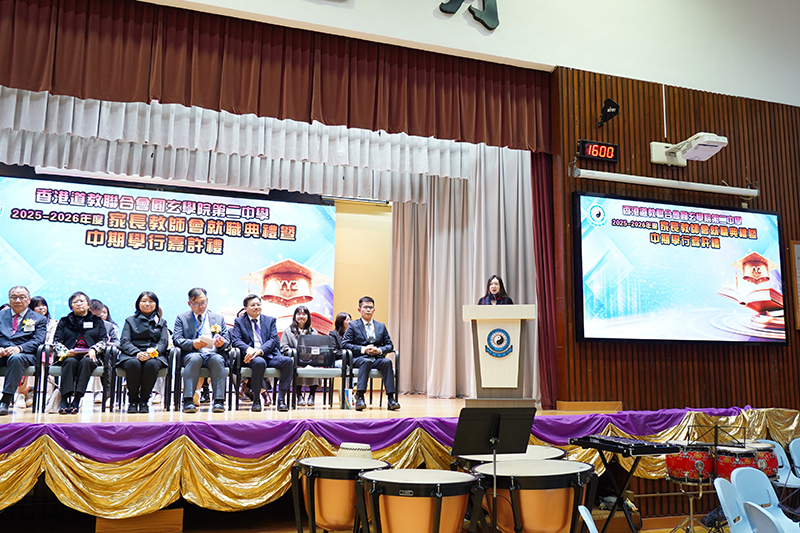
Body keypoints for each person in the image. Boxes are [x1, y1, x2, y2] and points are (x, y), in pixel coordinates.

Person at [231, 294, 292, 412]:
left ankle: (281, 399)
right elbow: (236, 340)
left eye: (258, 304)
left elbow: (274, 340)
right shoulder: (239, 321)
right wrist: (249, 349)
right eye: (252, 305)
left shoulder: (270, 320)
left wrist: (260, 350)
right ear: (245, 308)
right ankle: (256, 400)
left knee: (288, 361)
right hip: (250, 357)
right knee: (259, 362)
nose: (256, 307)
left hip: (268, 354)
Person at [173, 287, 230, 413]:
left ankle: (219, 401)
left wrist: (222, 343)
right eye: (196, 304)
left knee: (218, 360)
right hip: (193, 353)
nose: (201, 306)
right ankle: (188, 400)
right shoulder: (182, 318)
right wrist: (193, 344)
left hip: (212, 353)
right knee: (194, 359)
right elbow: (177, 339)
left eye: (203, 302)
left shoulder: (218, 318)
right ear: (189, 304)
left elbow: (227, 340)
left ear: (207, 300)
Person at [52, 291, 107, 414]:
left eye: (81, 301)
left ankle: (77, 399)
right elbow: (56, 341)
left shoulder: (97, 321)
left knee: (86, 362)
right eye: (75, 302)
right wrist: (65, 352)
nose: (78, 303)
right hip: (70, 354)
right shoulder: (64, 321)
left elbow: (103, 340)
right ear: (71, 306)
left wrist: (94, 349)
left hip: (90, 355)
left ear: (88, 305)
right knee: (70, 361)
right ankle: (64, 399)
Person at [342, 296, 400, 411]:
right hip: (360, 358)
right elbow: (345, 344)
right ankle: (360, 396)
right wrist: (363, 349)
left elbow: (389, 345)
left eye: (370, 308)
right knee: (366, 361)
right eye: (365, 307)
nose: (368, 310)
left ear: (374, 310)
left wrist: (380, 350)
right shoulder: (353, 325)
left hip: (377, 358)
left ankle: (391, 399)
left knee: (387, 362)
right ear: (359, 310)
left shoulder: (381, 326)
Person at [118, 291, 170, 413]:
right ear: (138, 304)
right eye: (144, 301)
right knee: (133, 364)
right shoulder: (130, 320)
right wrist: (137, 353)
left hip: (154, 356)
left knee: (151, 364)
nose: (147, 304)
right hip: (132, 355)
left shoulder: (161, 322)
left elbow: (163, 342)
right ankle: (133, 400)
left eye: (151, 301)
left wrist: (151, 354)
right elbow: (125, 341)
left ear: (156, 304)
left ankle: (144, 401)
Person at [0, 286, 47, 415]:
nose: (18, 300)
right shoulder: (1, 315)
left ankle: (5, 400)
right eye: (14, 297)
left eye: (22, 297)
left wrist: (19, 348)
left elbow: (38, 341)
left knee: (16, 358)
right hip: (2, 352)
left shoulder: (39, 319)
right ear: (9, 299)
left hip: (25, 355)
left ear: (28, 300)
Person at [280, 305, 319, 406]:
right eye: (299, 314)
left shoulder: (314, 332)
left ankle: (312, 396)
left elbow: (317, 347)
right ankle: (299, 396)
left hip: (310, 359)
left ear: (308, 317)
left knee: (316, 365)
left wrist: (312, 354)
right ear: (295, 316)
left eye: (304, 314)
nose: (301, 316)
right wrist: (295, 353)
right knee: (293, 364)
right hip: (295, 359)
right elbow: (283, 346)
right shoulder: (288, 331)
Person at [89, 299, 119, 405]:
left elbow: (117, 342)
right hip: (85, 354)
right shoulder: (80, 323)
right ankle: (76, 396)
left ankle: (108, 395)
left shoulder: (109, 326)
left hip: (103, 354)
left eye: (100, 314)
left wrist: (108, 344)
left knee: (108, 362)